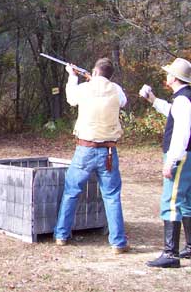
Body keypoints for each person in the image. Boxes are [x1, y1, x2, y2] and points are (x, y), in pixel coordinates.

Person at [54, 57, 130, 254]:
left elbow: (71, 99)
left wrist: (72, 76)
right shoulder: (117, 89)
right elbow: (123, 101)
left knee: (71, 191)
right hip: (109, 151)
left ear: (95, 72)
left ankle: (61, 235)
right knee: (112, 196)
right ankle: (118, 242)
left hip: (85, 149)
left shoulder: (85, 89)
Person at [139, 57, 191, 268]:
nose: (166, 76)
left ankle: (171, 254)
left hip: (182, 156)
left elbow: (181, 133)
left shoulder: (183, 100)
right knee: (187, 202)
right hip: (188, 155)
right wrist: (152, 100)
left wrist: (171, 160)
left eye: (169, 73)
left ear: (174, 78)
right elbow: (172, 111)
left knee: (171, 202)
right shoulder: (183, 98)